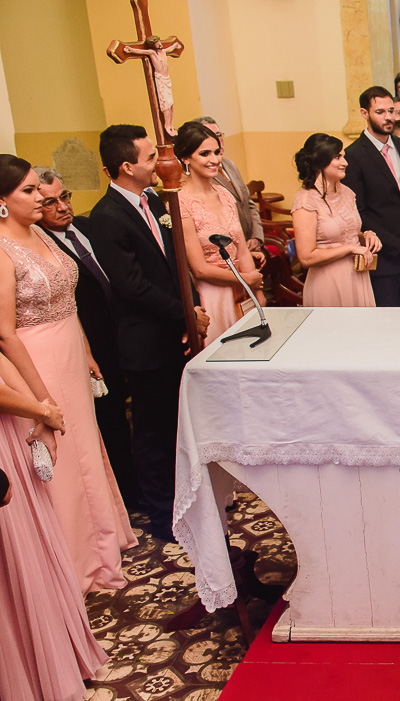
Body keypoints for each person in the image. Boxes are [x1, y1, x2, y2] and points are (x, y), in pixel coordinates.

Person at [0, 155, 137, 590]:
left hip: (71, 353)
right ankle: (74, 563)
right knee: (57, 453)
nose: (40, 197)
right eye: (28, 190)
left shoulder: (41, 232)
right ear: (1, 201)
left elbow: (67, 300)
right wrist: (39, 398)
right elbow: (4, 333)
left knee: (84, 446)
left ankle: (102, 544)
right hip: (35, 360)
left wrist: (87, 349)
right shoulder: (2, 249)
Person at [88, 125, 209, 544]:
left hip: (175, 330)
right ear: (127, 166)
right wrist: (184, 316)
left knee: (181, 425)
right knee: (154, 432)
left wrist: (193, 309)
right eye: (150, 157)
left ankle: (190, 501)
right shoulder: (106, 217)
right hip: (145, 342)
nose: (160, 163)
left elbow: (177, 263)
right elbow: (132, 286)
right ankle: (163, 516)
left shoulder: (155, 200)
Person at [0, 350, 108, 701]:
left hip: (10, 426)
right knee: (12, 563)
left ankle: (46, 671)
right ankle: (21, 687)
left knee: (29, 555)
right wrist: (41, 410)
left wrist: (39, 412)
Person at [33, 168, 142, 512]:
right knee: (109, 419)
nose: (62, 207)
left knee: (134, 414)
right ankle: (126, 493)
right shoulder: (40, 245)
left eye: (64, 197)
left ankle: (139, 480)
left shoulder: (87, 226)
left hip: (125, 333)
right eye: (50, 202)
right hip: (89, 343)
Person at [174, 121, 264, 345]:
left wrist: (256, 291)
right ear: (186, 158)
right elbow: (199, 269)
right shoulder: (180, 203)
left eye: (216, 152)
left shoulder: (223, 194)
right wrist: (246, 279)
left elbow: (241, 248)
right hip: (212, 294)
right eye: (204, 154)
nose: (214, 159)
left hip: (242, 290)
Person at [343, 86, 400, 307]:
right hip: (385, 261)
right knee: (389, 323)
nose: (388, 117)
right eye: (380, 112)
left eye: (391, 111)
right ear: (364, 113)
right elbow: (359, 213)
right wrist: (398, 244)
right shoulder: (354, 155)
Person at [291, 133, 381, 307]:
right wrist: (350, 249)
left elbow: (346, 232)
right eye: (338, 157)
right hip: (329, 280)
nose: (345, 163)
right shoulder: (305, 201)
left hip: (357, 277)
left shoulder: (347, 192)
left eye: (343, 157)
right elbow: (306, 257)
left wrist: (366, 236)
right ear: (320, 161)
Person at [192, 116, 266, 266]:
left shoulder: (230, 165)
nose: (217, 140)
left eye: (218, 134)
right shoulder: (203, 174)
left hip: (248, 245)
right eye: (210, 136)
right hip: (227, 253)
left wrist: (257, 237)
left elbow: (248, 203)